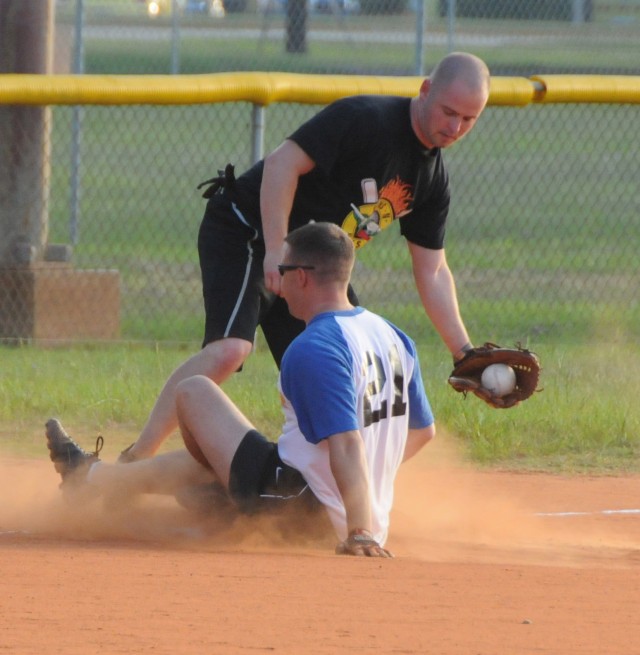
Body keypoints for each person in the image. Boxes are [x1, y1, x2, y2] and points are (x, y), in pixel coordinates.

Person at [118, 51, 489, 463]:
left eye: (469, 119)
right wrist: (276, 248)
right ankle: (135, 460)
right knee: (230, 350)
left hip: (314, 268)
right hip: (250, 229)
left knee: (348, 367)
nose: (455, 127)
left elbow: (432, 269)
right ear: (424, 91)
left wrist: (463, 351)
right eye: (449, 111)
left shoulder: (432, 180)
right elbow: (282, 164)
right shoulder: (368, 119)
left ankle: (302, 482)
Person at [46, 222, 435, 557]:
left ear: (302, 276)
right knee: (225, 452)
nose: (277, 283)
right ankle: (92, 480)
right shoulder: (394, 336)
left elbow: (347, 444)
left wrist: (359, 530)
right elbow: (422, 432)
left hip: (301, 508)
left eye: (283, 270)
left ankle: (204, 492)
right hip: (334, 503)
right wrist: (367, 484)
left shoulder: (315, 347)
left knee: (194, 390)